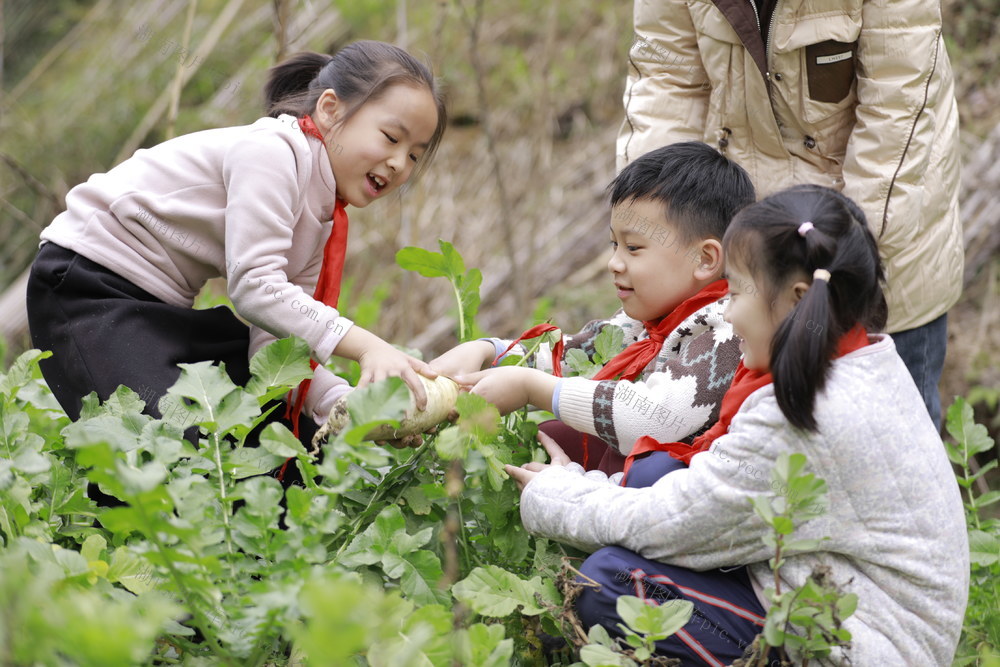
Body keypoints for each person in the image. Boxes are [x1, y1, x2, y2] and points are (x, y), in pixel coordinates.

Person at [506, 185, 968, 665]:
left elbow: (671, 524)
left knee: (611, 584)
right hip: (862, 614)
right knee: (652, 481)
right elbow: (699, 500)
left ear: (797, 299)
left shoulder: (805, 413)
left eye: (739, 291)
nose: (726, 313)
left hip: (863, 645)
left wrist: (555, 494)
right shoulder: (861, 356)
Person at [26, 41, 447, 447]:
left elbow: (276, 343)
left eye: (414, 155)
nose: (398, 163)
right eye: (392, 138)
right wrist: (369, 346)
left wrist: (341, 405)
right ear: (331, 109)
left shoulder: (319, 216)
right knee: (171, 442)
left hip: (155, 311)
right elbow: (255, 288)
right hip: (85, 285)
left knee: (280, 436)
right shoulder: (273, 153)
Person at [617, 1, 963, 429]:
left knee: (890, 441)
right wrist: (658, 241)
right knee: (767, 459)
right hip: (748, 262)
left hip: (875, 251)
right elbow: (666, 82)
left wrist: (837, 275)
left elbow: (897, 117)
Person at [433, 141, 754, 475]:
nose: (614, 263)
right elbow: (570, 356)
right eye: (615, 244)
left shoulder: (728, 328)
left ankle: (588, 501)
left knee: (651, 469)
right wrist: (488, 352)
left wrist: (531, 388)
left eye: (633, 247)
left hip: (695, 489)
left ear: (704, 259)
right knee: (553, 435)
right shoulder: (643, 321)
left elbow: (651, 418)